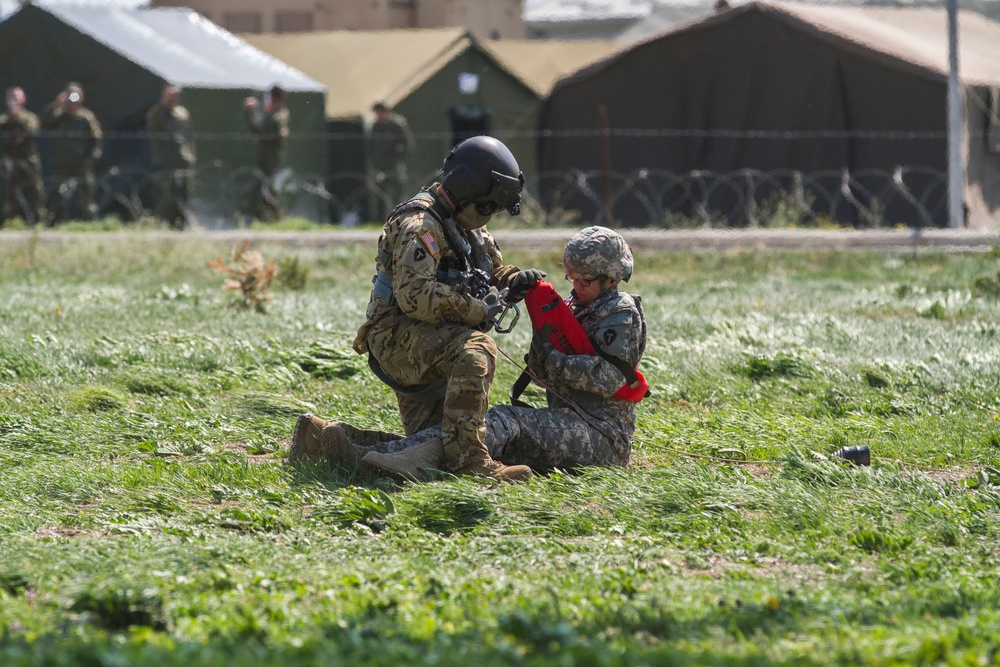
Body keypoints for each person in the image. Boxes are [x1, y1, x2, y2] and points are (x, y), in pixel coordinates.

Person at [292, 225, 646, 482]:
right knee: (464, 434)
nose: (576, 287)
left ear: (612, 278)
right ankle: (341, 444)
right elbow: (540, 369)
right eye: (571, 278)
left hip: (602, 438)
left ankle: (379, 458)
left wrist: (552, 361)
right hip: (572, 425)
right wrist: (538, 311)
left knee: (504, 420)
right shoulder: (576, 306)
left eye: (584, 281)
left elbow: (608, 377)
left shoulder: (620, 313)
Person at [291, 135, 546, 481]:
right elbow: (415, 295)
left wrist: (513, 279)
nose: (491, 217)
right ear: (470, 195)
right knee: (477, 349)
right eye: (489, 208)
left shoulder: (467, 224)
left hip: (427, 338)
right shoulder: (421, 226)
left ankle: (322, 439)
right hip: (397, 336)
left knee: (430, 447)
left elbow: (490, 270)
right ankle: (471, 464)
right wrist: (476, 311)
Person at [41, 82, 103, 223]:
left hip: (81, 163)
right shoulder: (58, 115)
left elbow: (96, 139)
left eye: (76, 97)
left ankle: (91, 222)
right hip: (62, 162)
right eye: (70, 97)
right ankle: (57, 222)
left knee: (87, 195)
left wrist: (91, 158)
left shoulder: (86, 117)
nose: (73, 101)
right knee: (57, 194)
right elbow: (43, 124)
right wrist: (55, 105)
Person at [146, 84, 195, 229]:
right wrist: (164, 104)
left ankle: (181, 224)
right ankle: (163, 225)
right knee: (165, 196)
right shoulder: (159, 112)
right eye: (171, 95)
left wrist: (191, 156)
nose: (175, 98)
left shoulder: (183, 114)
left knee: (183, 194)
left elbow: (189, 136)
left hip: (183, 160)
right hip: (166, 161)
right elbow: (152, 124)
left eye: (177, 94)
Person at [243, 84, 289, 222]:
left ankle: (275, 218)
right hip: (266, 157)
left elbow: (257, 129)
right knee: (266, 188)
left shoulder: (277, 116)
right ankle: (267, 218)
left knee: (268, 189)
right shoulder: (275, 114)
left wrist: (249, 112)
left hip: (270, 159)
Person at [0, 87, 46, 225]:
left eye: (17, 97)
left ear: (23, 100)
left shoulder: (30, 118)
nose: (14, 101)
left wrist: (17, 116)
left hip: (27, 160)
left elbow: (30, 131)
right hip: (7, 161)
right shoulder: (2, 120)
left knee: (34, 191)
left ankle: (37, 222)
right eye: (11, 97)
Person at [367, 101, 413, 221]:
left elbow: (406, 143)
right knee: (380, 192)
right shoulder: (375, 126)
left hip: (394, 164)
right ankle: (380, 218)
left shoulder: (397, 125)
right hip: (380, 164)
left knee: (398, 191)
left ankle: (401, 216)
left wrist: (399, 158)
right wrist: (373, 161)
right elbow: (370, 145)